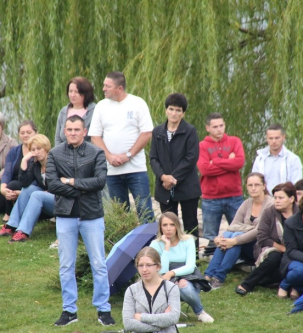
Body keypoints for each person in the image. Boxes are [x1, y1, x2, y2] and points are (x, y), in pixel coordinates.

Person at [47, 115, 115, 326]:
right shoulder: (54, 153)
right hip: (65, 216)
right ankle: (69, 311)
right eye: (69, 129)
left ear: (84, 131)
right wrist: (80, 190)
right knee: (66, 265)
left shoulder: (96, 152)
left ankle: (103, 309)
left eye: (77, 129)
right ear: (64, 131)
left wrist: (71, 181)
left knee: (99, 264)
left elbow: (100, 181)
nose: (73, 133)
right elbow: (51, 184)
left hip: (91, 215)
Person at [89, 71, 154, 223]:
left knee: (145, 212)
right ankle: (124, 246)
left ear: (119, 88)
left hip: (136, 170)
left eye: (107, 86)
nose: (103, 88)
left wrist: (128, 155)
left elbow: (146, 133)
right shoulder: (101, 106)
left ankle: (150, 246)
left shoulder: (138, 103)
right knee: (120, 216)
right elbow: (95, 136)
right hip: (112, 171)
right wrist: (109, 156)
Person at [205, 172, 273, 289]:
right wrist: (220, 238)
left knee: (235, 235)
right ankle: (207, 276)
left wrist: (236, 240)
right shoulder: (247, 203)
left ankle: (218, 277)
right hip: (244, 244)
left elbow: (259, 231)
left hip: (260, 247)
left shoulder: (270, 204)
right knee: (229, 234)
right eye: (250, 185)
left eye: (256, 185)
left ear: (264, 186)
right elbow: (233, 225)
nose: (253, 188)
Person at [150, 93, 201, 247]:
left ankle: (194, 259)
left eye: (178, 110)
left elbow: (191, 158)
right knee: (168, 225)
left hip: (187, 186)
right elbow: (153, 158)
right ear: (166, 110)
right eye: (171, 109)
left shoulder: (190, 131)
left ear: (183, 113)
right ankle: (170, 254)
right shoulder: (158, 132)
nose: (174, 113)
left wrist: (173, 178)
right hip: (164, 187)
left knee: (190, 224)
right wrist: (162, 177)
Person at [123, 247, 181, 333]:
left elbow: (173, 318)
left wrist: (142, 317)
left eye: (149, 265)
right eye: (140, 265)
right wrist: (161, 324)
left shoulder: (171, 288)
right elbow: (128, 323)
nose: (144, 269)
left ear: (158, 266)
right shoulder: (132, 290)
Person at [235, 182, 299, 295]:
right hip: (270, 248)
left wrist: (291, 251)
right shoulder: (269, 212)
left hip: (296, 249)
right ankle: (247, 284)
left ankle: (272, 282)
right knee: (274, 257)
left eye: (281, 198)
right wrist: (283, 249)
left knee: (289, 262)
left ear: (291, 198)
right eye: (275, 198)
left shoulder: (300, 214)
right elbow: (262, 237)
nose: (277, 201)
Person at [150, 212, 214, 323]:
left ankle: (200, 312)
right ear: (160, 227)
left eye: (172, 224)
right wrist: (166, 247)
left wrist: (172, 273)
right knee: (174, 287)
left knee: (185, 287)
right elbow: (162, 270)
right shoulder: (155, 244)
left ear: (177, 226)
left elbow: (190, 266)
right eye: (165, 225)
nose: (168, 228)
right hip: (163, 276)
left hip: (186, 273)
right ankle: (168, 313)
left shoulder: (187, 240)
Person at [0, 134, 54, 243]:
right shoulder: (36, 164)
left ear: (46, 148)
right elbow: (24, 183)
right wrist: (24, 161)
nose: (36, 152)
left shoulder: (56, 162)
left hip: (62, 201)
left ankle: (23, 232)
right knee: (28, 189)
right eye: (33, 150)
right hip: (48, 197)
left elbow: (64, 183)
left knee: (36, 194)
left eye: (39, 149)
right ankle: (11, 226)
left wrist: (49, 191)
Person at [197, 112, 245, 241]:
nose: (219, 129)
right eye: (215, 127)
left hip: (234, 196)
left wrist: (216, 162)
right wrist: (229, 163)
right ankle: (209, 260)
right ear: (208, 128)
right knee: (210, 236)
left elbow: (239, 162)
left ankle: (242, 258)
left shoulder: (234, 141)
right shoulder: (202, 146)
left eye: (221, 125)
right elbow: (205, 169)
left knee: (240, 232)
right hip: (211, 199)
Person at [0, 120, 38, 222]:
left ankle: (9, 214)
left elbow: (39, 178)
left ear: (36, 133)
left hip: (33, 186)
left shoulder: (39, 151)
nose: (25, 135)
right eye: (22, 133)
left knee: (13, 185)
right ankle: (9, 212)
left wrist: (23, 192)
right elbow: (7, 172)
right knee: (10, 186)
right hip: (14, 186)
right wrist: (3, 189)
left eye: (29, 132)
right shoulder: (13, 151)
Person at [252, 123, 303, 194]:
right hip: (264, 200)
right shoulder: (260, 159)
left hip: (284, 200)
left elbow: (296, 183)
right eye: (271, 138)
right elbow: (254, 181)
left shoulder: (293, 159)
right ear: (266, 138)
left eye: (277, 138)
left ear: (283, 137)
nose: (274, 141)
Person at [55, 76, 96, 146]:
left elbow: (96, 138)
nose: (72, 95)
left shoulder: (95, 111)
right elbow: (58, 139)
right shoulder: (63, 111)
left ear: (85, 93)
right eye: (70, 91)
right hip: (64, 154)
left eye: (76, 92)